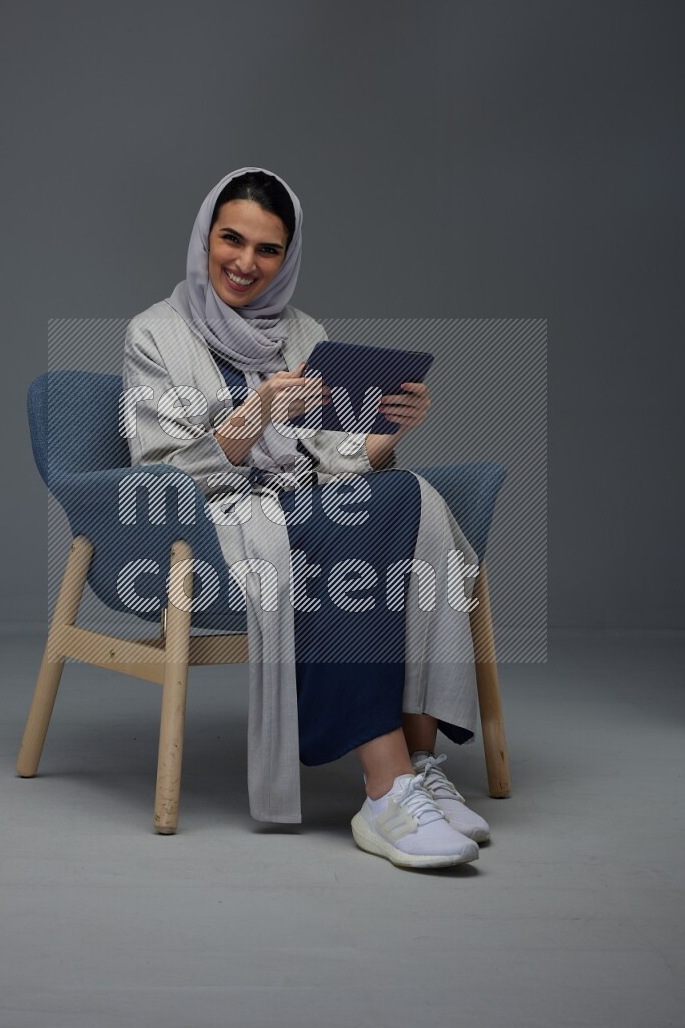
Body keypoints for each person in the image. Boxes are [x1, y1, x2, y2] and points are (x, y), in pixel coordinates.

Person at [122, 166, 490, 870]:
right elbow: (163, 468)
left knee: (409, 494)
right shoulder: (154, 334)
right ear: (204, 238)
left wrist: (388, 431)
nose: (245, 262)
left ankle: (418, 765)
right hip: (215, 523)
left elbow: (331, 457)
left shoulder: (303, 332)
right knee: (350, 529)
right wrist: (257, 412)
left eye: (268, 250)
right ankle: (387, 789)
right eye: (231, 239)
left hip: (309, 502)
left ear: (287, 257)